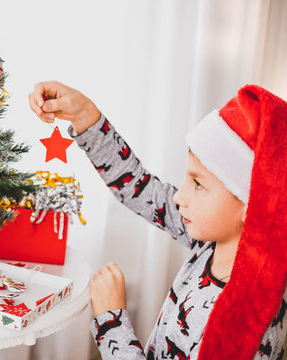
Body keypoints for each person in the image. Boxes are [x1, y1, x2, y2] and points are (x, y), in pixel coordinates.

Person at [28, 81, 287, 359]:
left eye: (198, 184)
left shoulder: (247, 327)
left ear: (253, 204)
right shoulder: (208, 242)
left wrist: (111, 322)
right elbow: (138, 186)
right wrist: (83, 115)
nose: (179, 197)